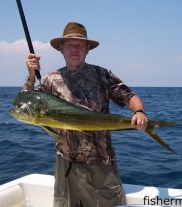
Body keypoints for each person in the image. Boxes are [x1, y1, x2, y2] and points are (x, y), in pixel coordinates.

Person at [22, 22, 149, 207]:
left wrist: (139, 112)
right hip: (66, 162)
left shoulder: (102, 74)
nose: (75, 49)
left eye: (80, 45)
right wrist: (32, 76)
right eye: (70, 45)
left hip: (102, 162)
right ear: (61, 49)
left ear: (87, 49)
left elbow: (130, 96)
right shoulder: (50, 80)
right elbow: (27, 102)